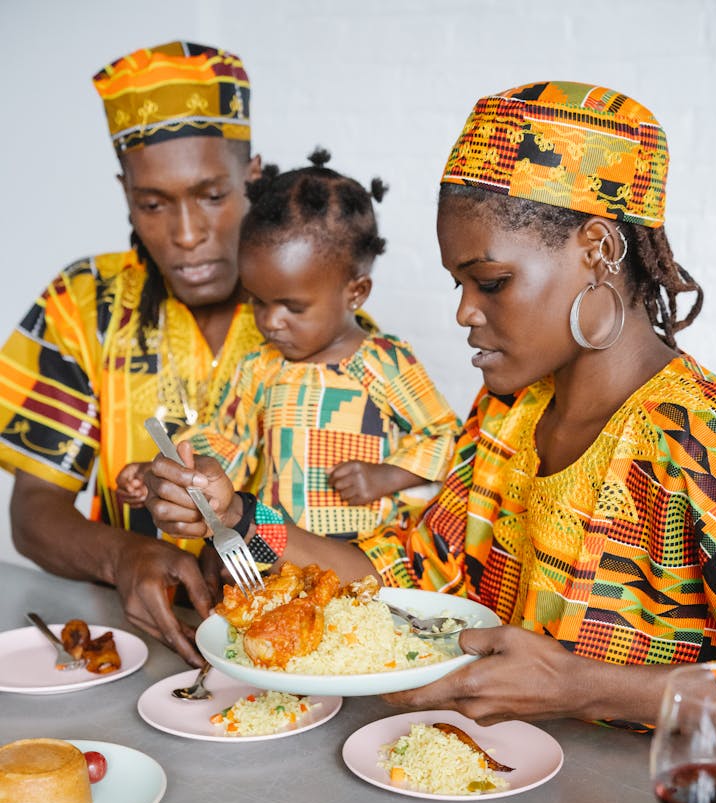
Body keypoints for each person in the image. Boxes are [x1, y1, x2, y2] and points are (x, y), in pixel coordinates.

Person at [144, 80, 716, 726]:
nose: (464, 311)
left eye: (491, 282)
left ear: (597, 251)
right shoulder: (506, 417)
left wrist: (581, 687)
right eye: (458, 283)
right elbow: (403, 575)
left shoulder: (708, 442)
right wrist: (238, 514)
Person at [0, 41, 264, 665]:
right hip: (130, 637)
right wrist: (123, 554)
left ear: (250, 178)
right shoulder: (82, 305)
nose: (187, 233)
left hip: (279, 638)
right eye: (153, 203)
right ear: (125, 194)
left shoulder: (310, 308)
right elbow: (33, 512)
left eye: (211, 195)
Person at [117, 149, 459, 540]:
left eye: (293, 307)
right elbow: (225, 438)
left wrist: (387, 475)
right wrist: (171, 473)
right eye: (258, 301)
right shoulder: (260, 367)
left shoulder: (383, 363)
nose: (270, 321)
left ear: (356, 292)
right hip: (280, 555)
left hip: (372, 556)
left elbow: (444, 436)